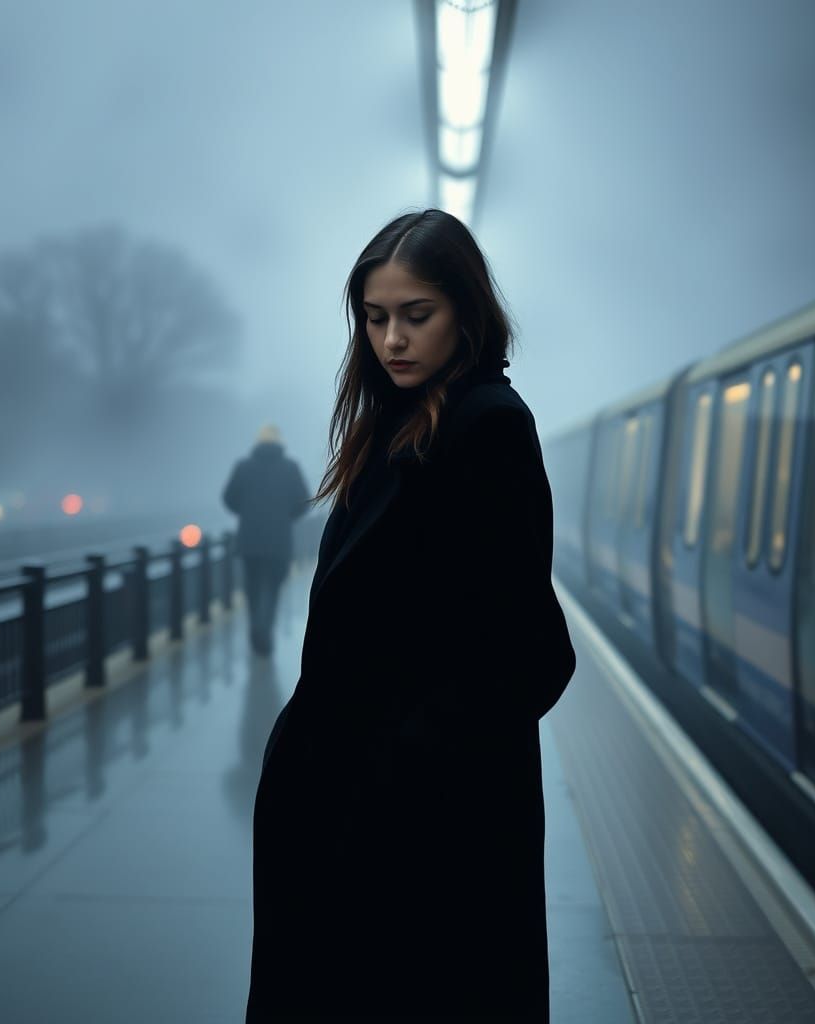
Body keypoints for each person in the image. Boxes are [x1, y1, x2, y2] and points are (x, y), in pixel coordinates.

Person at [245, 210, 576, 1022]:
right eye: (375, 317)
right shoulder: (389, 422)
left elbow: (531, 651)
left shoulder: (487, 426)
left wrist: (404, 764)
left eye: (415, 316)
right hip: (347, 807)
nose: (391, 339)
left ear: (465, 310)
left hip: (420, 826)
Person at [222, 423, 310, 656]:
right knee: (272, 586)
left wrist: (245, 511)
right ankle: (265, 630)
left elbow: (228, 497)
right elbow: (303, 501)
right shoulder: (291, 468)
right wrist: (287, 516)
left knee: (252, 587)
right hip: (279, 540)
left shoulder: (243, 467)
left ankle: (255, 629)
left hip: (249, 540)